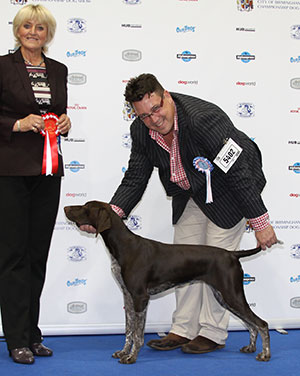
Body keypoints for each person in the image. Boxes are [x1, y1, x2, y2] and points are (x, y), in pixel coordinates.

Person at [81, 73, 277, 354]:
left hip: (230, 192)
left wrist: (260, 222)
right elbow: (135, 178)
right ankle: (183, 329)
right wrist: (110, 215)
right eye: (144, 116)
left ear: (167, 97)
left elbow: (237, 171)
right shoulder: (141, 131)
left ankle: (211, 332)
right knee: (180, 263)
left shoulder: (205, 118)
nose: (153, 119)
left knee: (217, 262)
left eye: (156, 109)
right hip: (190, 193)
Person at [0, 4, 71, 364]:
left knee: (37, 257)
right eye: (27, 26)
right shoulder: (1, 66)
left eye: (40, 28)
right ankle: (16, 339)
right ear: (17, 30)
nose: (33, 32)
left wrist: (64, 122)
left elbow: (58, 112)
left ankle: (32, 333)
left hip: (48, 172)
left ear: (48, 34)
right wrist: (16, 124)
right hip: (10, 173)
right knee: (13, 257)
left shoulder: (59, 70)